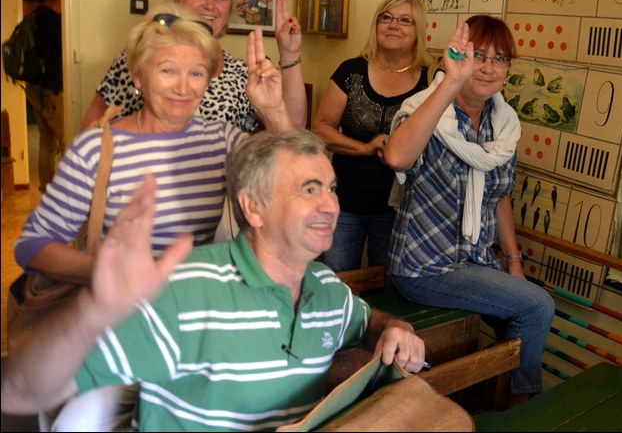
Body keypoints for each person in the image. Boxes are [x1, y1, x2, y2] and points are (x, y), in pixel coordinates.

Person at [1, 130, 427, 431]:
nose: (331, 205)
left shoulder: (328, 289)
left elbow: (367, 321)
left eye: (331, 188)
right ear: (253, 209)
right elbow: (18, 393)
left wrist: (394, 328)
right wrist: (92, 313)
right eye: (309, 189)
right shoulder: (185, 291)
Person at [12, 2, 290, 431]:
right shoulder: (96, 149)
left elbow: (292, 184)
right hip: (121, 322)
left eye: (196, 73)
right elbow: (32, 246)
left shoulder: (220, 140)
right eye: (167, 70)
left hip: (197, 319)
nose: (183, 87)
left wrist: (273, 111)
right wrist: (112, 274)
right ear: (138, 76)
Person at [382, 15, 556, 404]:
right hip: (424, 267)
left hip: (476, 262)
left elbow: (500, 196)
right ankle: (520, 407)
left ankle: (486, 397)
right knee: (537, 306)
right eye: (479, 56)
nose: (489, 68)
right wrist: (451, 81)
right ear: (460, 58)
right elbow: (396, 157)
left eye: (500, 59)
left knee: (527, 310)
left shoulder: (503, 124)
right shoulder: (426, 110)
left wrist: (513, 260)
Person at [80, 0, 307, 132]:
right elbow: (92, 128)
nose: (209, 5)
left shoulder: (243, 73)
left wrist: (289, 53)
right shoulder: (141, 56)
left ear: (229, 10)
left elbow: (293, 126)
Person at [312, 0, 430, 274]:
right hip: (344, 203)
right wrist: (365, 148)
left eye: (405, 20)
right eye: (386, 18)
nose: (393, 25)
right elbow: (321, 128)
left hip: (401, 208)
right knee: (338, 280)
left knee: (388, 282)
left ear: (419, 30)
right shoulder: (351, 71)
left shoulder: (431, 79)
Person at [23, 0, 64, 192]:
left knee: (46, 142)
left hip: (34, 88)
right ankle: (66, 193)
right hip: (51, 89)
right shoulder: (51, 20)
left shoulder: (34, 16)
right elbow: (60, 53)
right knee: (67, 141)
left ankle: (48, 191)